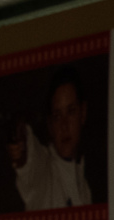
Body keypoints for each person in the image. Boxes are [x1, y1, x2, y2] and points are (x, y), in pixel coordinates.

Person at [9, 67, 92, 209]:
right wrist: (21, 142)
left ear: (83, 113)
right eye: (57, 116)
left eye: (71, 111)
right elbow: (30, 160)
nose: (64, 125)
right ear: (50, 125)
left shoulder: (85, 188)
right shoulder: (44, 170)